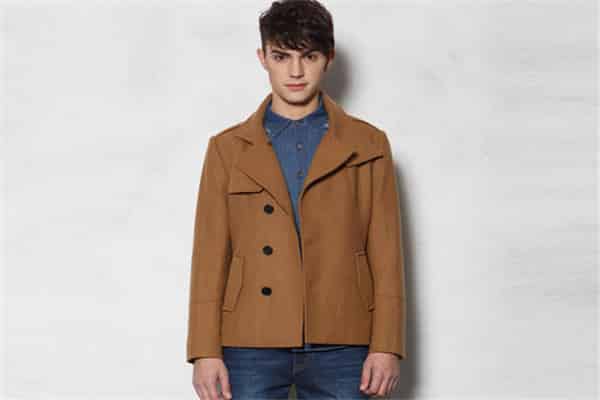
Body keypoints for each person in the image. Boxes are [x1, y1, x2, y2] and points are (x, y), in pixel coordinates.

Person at [186, 1, 407, 399]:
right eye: (281, 56)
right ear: (262, 58)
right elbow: (209, 256)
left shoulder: (369, 144)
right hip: (249, 338)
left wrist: (387, 344)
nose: (295, 71)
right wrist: (204, 350)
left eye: (309, 56)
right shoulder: (227, 149)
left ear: (329, 59)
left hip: (343, 336)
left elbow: (386, 252)